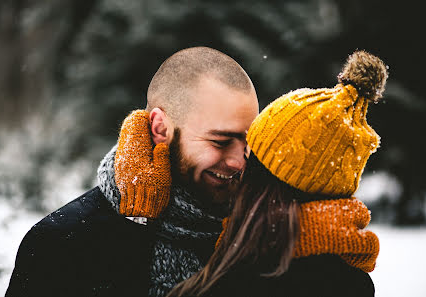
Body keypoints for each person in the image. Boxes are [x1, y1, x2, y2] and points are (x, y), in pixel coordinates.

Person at [5, 46, 259, 297]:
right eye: (221, 142)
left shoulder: (257, 237)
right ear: (160, 129)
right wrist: (137, 226)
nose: (239, 162)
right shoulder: (63, 243)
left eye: (249, 144)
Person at [166, 50, 388, 297]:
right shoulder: (352, 282)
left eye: (250, 158)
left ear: (262, 180)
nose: (239, 167)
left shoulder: (235, 282)